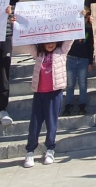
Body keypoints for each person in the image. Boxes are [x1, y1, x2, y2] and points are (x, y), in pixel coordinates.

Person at [23, 40, 71, 168]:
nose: (50, 44)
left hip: (54, 93)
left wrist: (80, 25)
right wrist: (17, 29)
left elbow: (70, 39)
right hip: (39, 93)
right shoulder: (38, 53)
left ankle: (50, 150)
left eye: (53, 42)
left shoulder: (61, 51)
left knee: (51, 122)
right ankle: (30, 151)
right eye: (47, 42)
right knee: (35, 124)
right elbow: (27, 43)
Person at [62, 9, 94, 116]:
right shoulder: (71, 28)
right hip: (71, 58)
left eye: (85, 17)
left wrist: (90, 62)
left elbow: (90, 46)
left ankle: (82, 105)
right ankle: (68, 105)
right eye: (81, 17)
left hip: (84, 60)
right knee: (70, 84)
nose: (83, 19)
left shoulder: (89, 30)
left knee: (83, 84)